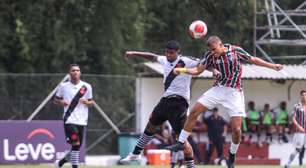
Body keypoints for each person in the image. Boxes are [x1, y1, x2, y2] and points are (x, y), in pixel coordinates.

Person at [165, 36, 283, 168]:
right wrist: (181, 70)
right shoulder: (209, 55)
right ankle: (180, 142)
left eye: (215, 49)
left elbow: (253, 60)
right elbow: (198, 70)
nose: (213, 53)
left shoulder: (236, 51)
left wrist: (272, 66)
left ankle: (232, 155)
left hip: (234, 92)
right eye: (211, 51)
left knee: (237, 129)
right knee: (194, 111)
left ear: (221, 45)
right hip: (218, 89)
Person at [119, 40, 214, 168]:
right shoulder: (164, 60)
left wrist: (214, 70)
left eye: (172, 53)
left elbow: (204, 64)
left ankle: (191, 166)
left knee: (182, 140)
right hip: (165, 101)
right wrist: (134, 53)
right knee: (151, 124)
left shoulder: (186, 61)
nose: (169, 55)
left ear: (178, 53)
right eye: (167, 52)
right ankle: (136, 153)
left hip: (180, 103)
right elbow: (151, 56)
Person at [54, 64, 94, 168]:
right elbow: (56, 100)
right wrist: (61, 102)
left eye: (77, 70)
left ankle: (60, 162)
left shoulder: (87, 87)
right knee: (76, 144)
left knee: (76, 147)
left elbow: (91, 103)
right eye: (73, 70)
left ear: (80, 73)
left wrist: (86, 102)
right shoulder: (63, 86)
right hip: (69, 119)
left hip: (82, 120)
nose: (75, 72)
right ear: (69, 73)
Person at [285, 90, 306, 168]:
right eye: (303, 95)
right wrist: (299, 126)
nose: (304, 96)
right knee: (298, 149)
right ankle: (288, 163)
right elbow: (293, 118)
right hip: (299, 132)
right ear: (300, 96)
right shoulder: (297, 106)